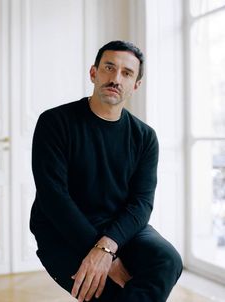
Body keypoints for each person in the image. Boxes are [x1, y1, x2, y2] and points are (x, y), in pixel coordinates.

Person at [30, 40, 183, 302]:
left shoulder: (145, 137)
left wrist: (108, 247)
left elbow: (141, 204)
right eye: (109, 68)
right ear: (93, 72)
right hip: (62, 230)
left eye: (126, 73)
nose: (115, 78)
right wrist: (106, 259)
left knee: (167, 261)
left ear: (136, 85)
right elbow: (54, 197)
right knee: (110, 292)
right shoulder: (54, 122)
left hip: (117, 227)